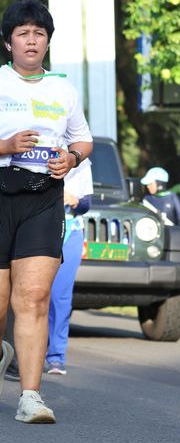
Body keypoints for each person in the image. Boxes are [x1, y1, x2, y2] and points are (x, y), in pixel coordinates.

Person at [0, 0, 93, 423]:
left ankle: (31, 397)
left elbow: (83, 139)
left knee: (34, 298)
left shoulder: (63, 90)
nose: (32, 40)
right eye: (23, 33)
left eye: (39, 33)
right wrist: (6, 145)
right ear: (8, 43)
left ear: (48, 42)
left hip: (43, 198)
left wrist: (71, 159)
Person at [45, 159, 93, 375]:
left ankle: (56, 356)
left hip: (71, 232)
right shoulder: (40, 153)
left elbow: (86, 205)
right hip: (40, 229)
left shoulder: (83, 164)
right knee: (34, 295)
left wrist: (75, 201)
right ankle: (26, 352)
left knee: (60, 297)